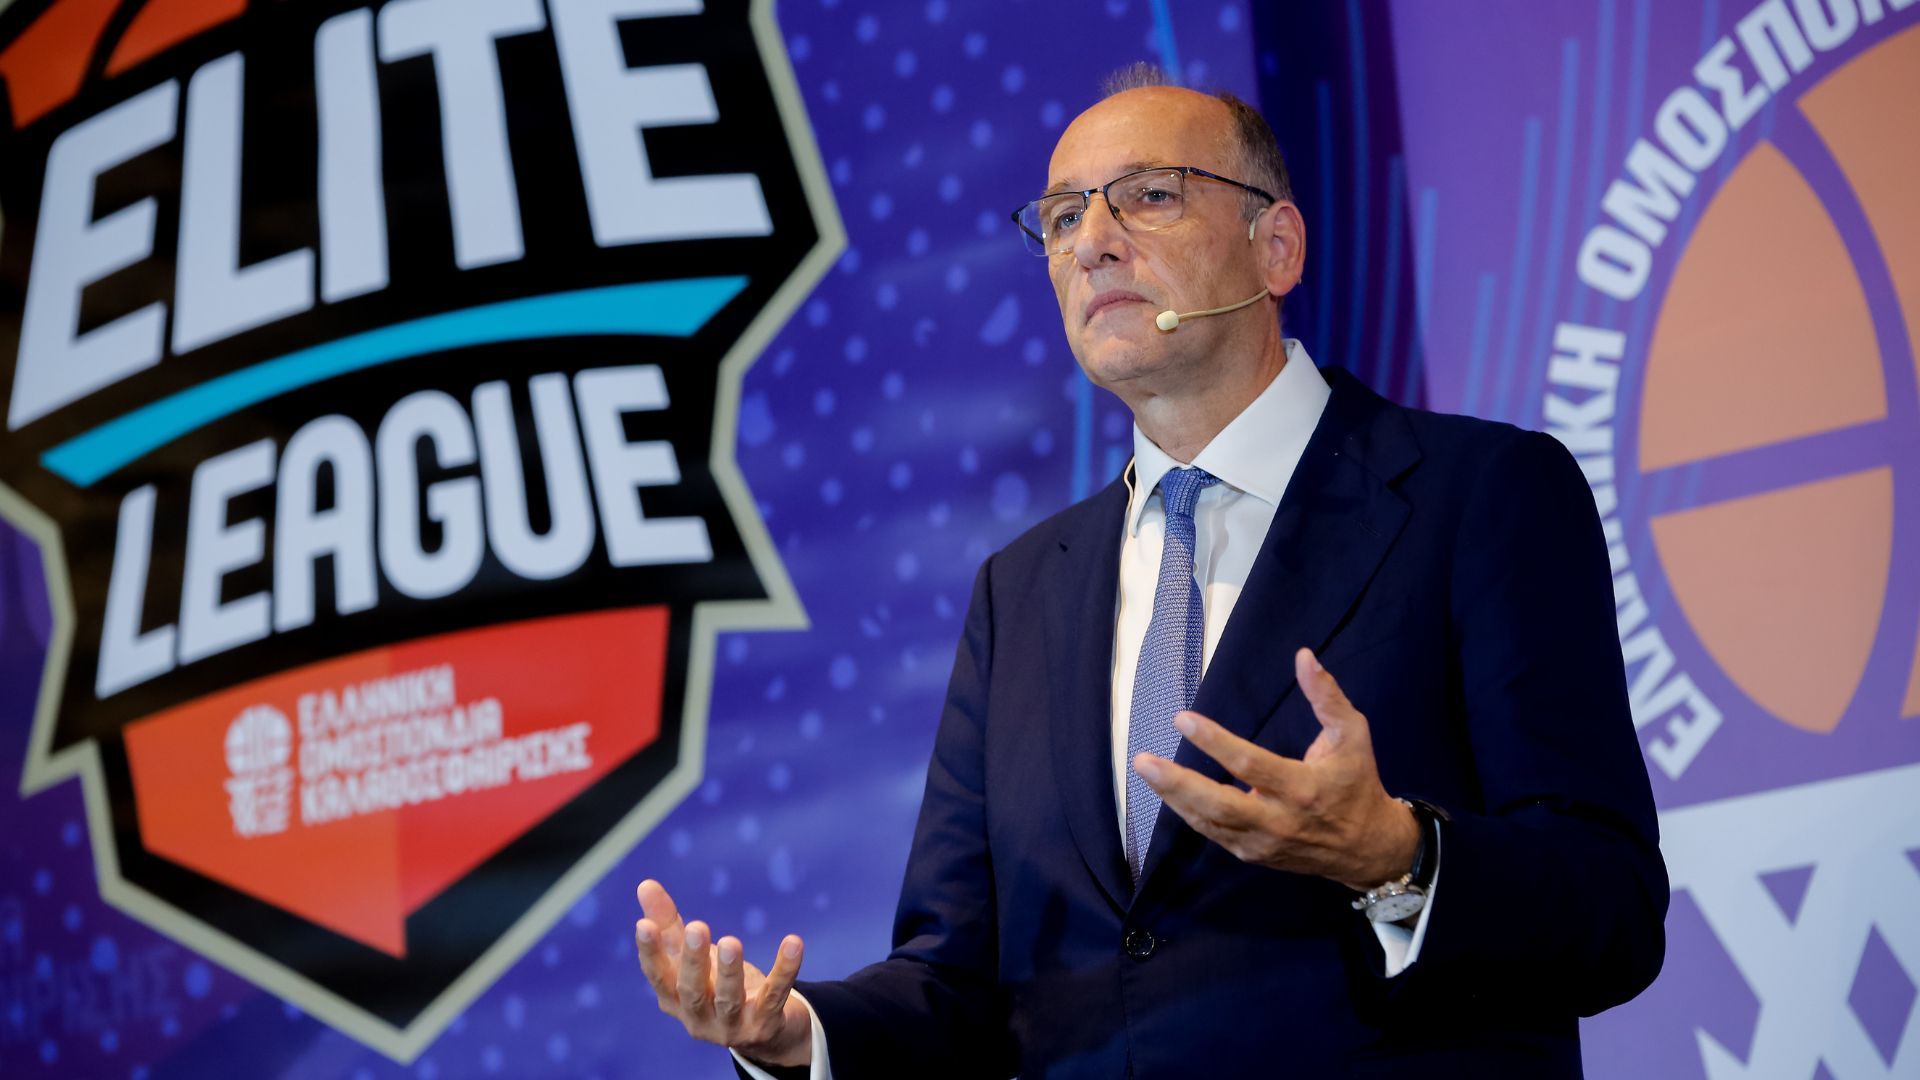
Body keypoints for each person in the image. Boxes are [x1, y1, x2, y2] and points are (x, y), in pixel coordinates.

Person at [632, 64, 1668, 1079]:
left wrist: (1397, 856)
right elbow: (959, 980)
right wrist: (798, 1036)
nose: (1093, 241)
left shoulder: (1478, 495)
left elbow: (1613, 909)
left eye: (1150, 196)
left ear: (1276, 247)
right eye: (1062, 216)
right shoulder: (1020, 592)